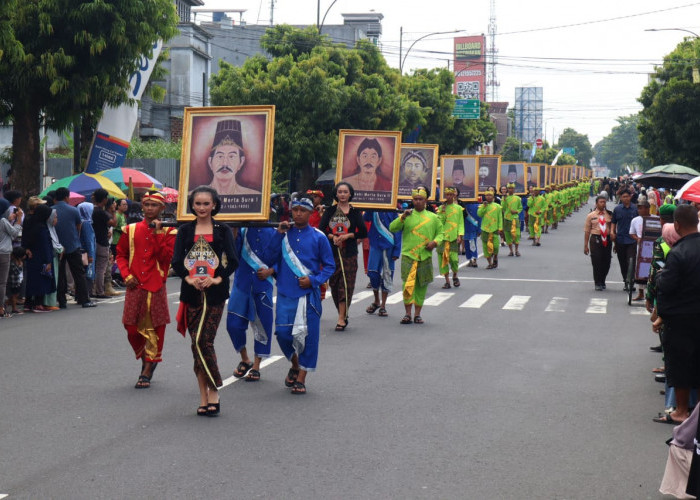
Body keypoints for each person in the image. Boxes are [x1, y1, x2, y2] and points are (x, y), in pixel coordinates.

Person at [172, 187, 237, 415]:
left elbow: (233, 261)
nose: (201, 208)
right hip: (192, 294)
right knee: (195, 345)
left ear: (214, 205)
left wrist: (217, 278)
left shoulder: (223, 230)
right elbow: (177, 261)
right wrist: (189, 279)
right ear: (192, 205)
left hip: (215, 294)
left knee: (203, 340)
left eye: (206, 204)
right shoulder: (185, 231)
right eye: (197, 204)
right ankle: (203, 396)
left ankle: (215, 389)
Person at [262, 197, 335, 395]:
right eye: (295, 210)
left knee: (309, 338)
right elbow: (268, 258)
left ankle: (302, 377)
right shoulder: (283, 235)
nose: (298, 214)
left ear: (311, 212)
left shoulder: (319, 237)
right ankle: (295, 363)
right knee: (283, 335)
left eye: (303, 210)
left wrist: (313, 281)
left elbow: (329, 266)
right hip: (286, 293)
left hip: (308, 296)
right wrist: (278, 235)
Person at [116, 191, 178, 390]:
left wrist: (159, 234)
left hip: (156, 284)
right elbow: (120, 255)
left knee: (156, 326)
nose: (150, 208)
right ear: (142, 207)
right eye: (147, 204)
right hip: (135, 283)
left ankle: (149, 367)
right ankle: (145, 356)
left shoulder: (170, 232)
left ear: (162, 208)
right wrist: (126, 275)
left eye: (154, 205)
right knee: (131, 326)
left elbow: (166, 258)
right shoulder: (130, 229)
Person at [655, 204, 700, 425]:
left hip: (682, 319)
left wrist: (661, 277)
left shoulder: (678, 252)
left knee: (681, 365)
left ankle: (681, 411)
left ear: (678, 225)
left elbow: (668, 287)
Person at [226, 225, 276, 382]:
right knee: (233, 324)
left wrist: (271, 271)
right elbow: (232, 252)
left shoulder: (274, 232)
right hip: (241, 284)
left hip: (263, 285)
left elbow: (282, 258)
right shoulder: (241, 230)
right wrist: (234, 230)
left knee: (262, 326)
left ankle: (256, 366)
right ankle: (245, 358)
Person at [389, 186, 444, 325]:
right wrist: (402, 217)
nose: (418, 201)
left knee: (422, 285)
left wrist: (435, 242)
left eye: (420, 199)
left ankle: (417, 314)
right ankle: (407, 313)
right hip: (409, 255)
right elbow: (392, 228)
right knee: (407, 285)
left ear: (426, 200)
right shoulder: (406, 216)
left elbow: (441, 234)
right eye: (415, 199)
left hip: (424, 256)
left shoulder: (433, 217)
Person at [318, 182, 367, 331]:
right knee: (335, 283)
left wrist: (349, 236)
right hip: (333, 252)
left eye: (346, 192)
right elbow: (321, 229)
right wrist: (333, 236)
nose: (343, 194)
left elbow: (363, 232)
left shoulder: (355, 212)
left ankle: (341, 317)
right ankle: (342, 313)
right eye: (340, 192)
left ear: (350, 194)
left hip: (350, 253)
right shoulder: (331, 211)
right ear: (336, 194)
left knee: (347, 285)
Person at [52, 187, 96, 308]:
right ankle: (84, 300)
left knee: (60, 275)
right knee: (79, 273)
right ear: (67, 197)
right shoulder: (73, 210)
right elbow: (78, 226)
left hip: (56, 247)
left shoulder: (51, 210)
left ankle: (61, 301)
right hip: (73, 245)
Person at [203, 119, 260, 196]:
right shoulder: (193, 196)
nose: (225, 163)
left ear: (241, 162)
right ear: (210, 162)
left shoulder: (254, 196)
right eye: (220, 156)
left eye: (231, 156)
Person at [364, 209, 401, 317]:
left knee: (387, 274)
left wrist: (397, 251)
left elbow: (398, 231)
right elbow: (365, 218)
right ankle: (376, 301)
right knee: (372, 273)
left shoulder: (393, 211)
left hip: (389, 244)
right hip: (375, 243)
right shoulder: (374, 209)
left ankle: (383, 306)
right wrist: (370, 206)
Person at [21, 203, 56, 312]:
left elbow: (25, 239)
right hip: (41, 257)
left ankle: (28, 303)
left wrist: (26, 249)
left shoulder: (30, 222)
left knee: (31, 280)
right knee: (42, 280)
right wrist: (48, 261)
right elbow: (45, 245)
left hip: (31, 256)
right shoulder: (42, 227)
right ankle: (38, 304)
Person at [610, 188, 638, 291]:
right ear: (620, 198)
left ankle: (631, 282)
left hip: (632, 239)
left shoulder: (635, 209)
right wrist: (612, 232)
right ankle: (625, 281)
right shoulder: (617, 209)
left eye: (627, 196)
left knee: (631, 260)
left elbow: (640, 222)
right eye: (623, 197)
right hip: (620, 239)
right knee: (622, 262)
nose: (625, 198)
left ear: (630, 197)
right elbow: (613, 222)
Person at [583, 195, 613, 291]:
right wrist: (585, 245)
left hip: (607, 239)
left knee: (607, 261)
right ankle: (597, 282)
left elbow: (613, 229)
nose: (603, 204)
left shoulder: (609, 214)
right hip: (596, 239)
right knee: (596, 261)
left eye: (604, 202)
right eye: (601, 202)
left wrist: (615, 243)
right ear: (596, 203)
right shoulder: (591, 215)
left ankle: (603, 280)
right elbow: (587, 231)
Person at [437, 187, 464, 288]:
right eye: (447, 194)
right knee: (443, 259)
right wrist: (442, 212)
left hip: (453, 237)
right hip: (442, 237)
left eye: (450, 194)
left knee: (454, 259)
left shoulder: (458, 208)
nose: (448, 196)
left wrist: (459, 235)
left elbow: (461, 223)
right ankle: (447, 281)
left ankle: (455, 275)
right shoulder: (441, 208)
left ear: (454, 195)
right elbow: (439, 223)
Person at [91, 189, 116, 299]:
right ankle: (100, 291)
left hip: (92, 241)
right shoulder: (101, 212)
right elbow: (113, 223)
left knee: (93, 267)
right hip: (101, 241)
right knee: (101, 268)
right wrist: (113, 211)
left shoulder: (91, 210)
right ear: (104, 199)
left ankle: (92, 290)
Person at [0, 198, 21, 317]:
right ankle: (1, 307)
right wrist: (18, 220)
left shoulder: (4, 221)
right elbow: (14, 233)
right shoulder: (3, 220)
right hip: (3, 253)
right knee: (2, 283)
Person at [629, 199, 651, 301]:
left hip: (653, 247)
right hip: (641, 248)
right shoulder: (635, 220)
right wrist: (637, 239)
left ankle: (650, 294)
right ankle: (641, 293)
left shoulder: (656, 219)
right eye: (638, 208)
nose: (639, 210)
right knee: (641, 270)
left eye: (641, 208)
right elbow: (631, 233)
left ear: (647, 209)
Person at [478, 189, 503, 269]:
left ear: (493, 197)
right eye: (487, 196)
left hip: (494, 228)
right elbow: (479, 214)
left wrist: (500, 227)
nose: (488, 197)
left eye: (490, 195)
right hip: (485, 229)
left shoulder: (497, 206)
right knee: (485, 247)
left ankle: (495, 256)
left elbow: (500, 217)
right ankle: (490, 263)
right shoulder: (482, 206)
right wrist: (484, 207)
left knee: (495, 246)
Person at [77, 202, 96, 295]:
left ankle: (80, 294)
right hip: (86, 253)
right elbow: (89, 241)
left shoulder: (79, 222)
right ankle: (86, 295)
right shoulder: (87, 224)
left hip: (80, 251)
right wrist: (91, 255)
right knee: (88, 274)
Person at [502, 183, 523, 256]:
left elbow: (520, 208)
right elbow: (503, 208)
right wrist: (504, 199)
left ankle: (516, 250)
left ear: (514, 189)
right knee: (507, 234)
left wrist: (516, 211)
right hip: (507, 218)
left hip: (515, 218)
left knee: (517, 234)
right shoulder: (505, 198)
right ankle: (511, 250)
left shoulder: (517, 198)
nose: (511, 190)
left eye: (512, 188)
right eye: (509, 188)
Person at [6, 246, 26, 315]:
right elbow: (16, 272)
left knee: (15, 295)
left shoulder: (18, 261)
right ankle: (14, 308)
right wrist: (20, 265)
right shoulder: (13, 263)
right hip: (13, 283)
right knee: (14, 296)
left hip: (17, 282)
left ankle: (6, 303)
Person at [463, 201, 481, 267]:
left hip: (474, 226)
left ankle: (474, 259)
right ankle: (470, 260)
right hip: (465, 227)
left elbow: (479, 217)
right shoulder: (462, 204)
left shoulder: (477, 205)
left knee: (473, 243)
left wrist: (479, 229)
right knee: (466, 245)